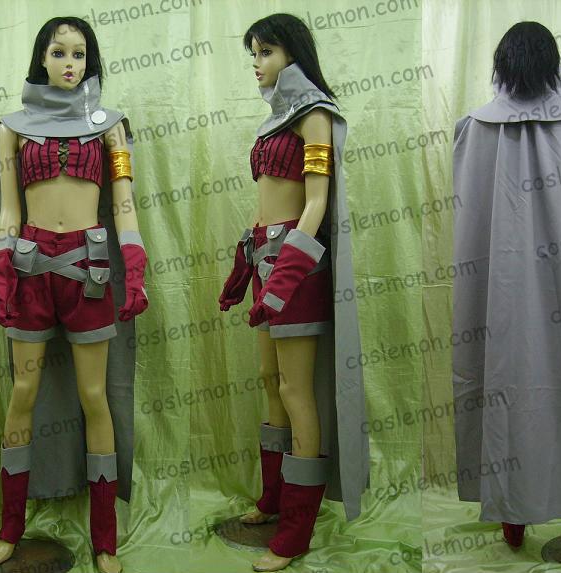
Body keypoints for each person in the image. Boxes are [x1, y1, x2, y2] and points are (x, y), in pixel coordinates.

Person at [451, 21, 561, 555]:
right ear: (552, 64)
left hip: (498, 298)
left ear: (502, 66)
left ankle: (513, 520)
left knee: (503, 383)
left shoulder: (472, 129)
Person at [0, 17, 148, 573]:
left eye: (79, 54)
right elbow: (9, 210)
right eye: (58, 52)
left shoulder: (111, 127)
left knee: (94, 396)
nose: (69, 64)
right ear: (42, 57)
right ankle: (11, 528)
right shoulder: (11, 129)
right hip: (31, 268)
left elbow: (123, 204)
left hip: (90, 271)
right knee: (23, 391)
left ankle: (105, 539)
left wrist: (135, 263)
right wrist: (1, 271)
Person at [219, 13, 370, 572]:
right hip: (266, 256)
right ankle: (274, 497)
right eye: (253, 53)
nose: (256, 63)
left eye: (265, 52)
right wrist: (245, 266)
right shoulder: (273, 124)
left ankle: (298, 529)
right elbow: (267, 201)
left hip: (298, 267)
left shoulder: (315, 116)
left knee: (295, 387)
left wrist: (284, 275)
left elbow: (316, 202)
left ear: (292, 54)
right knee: (268, 379)